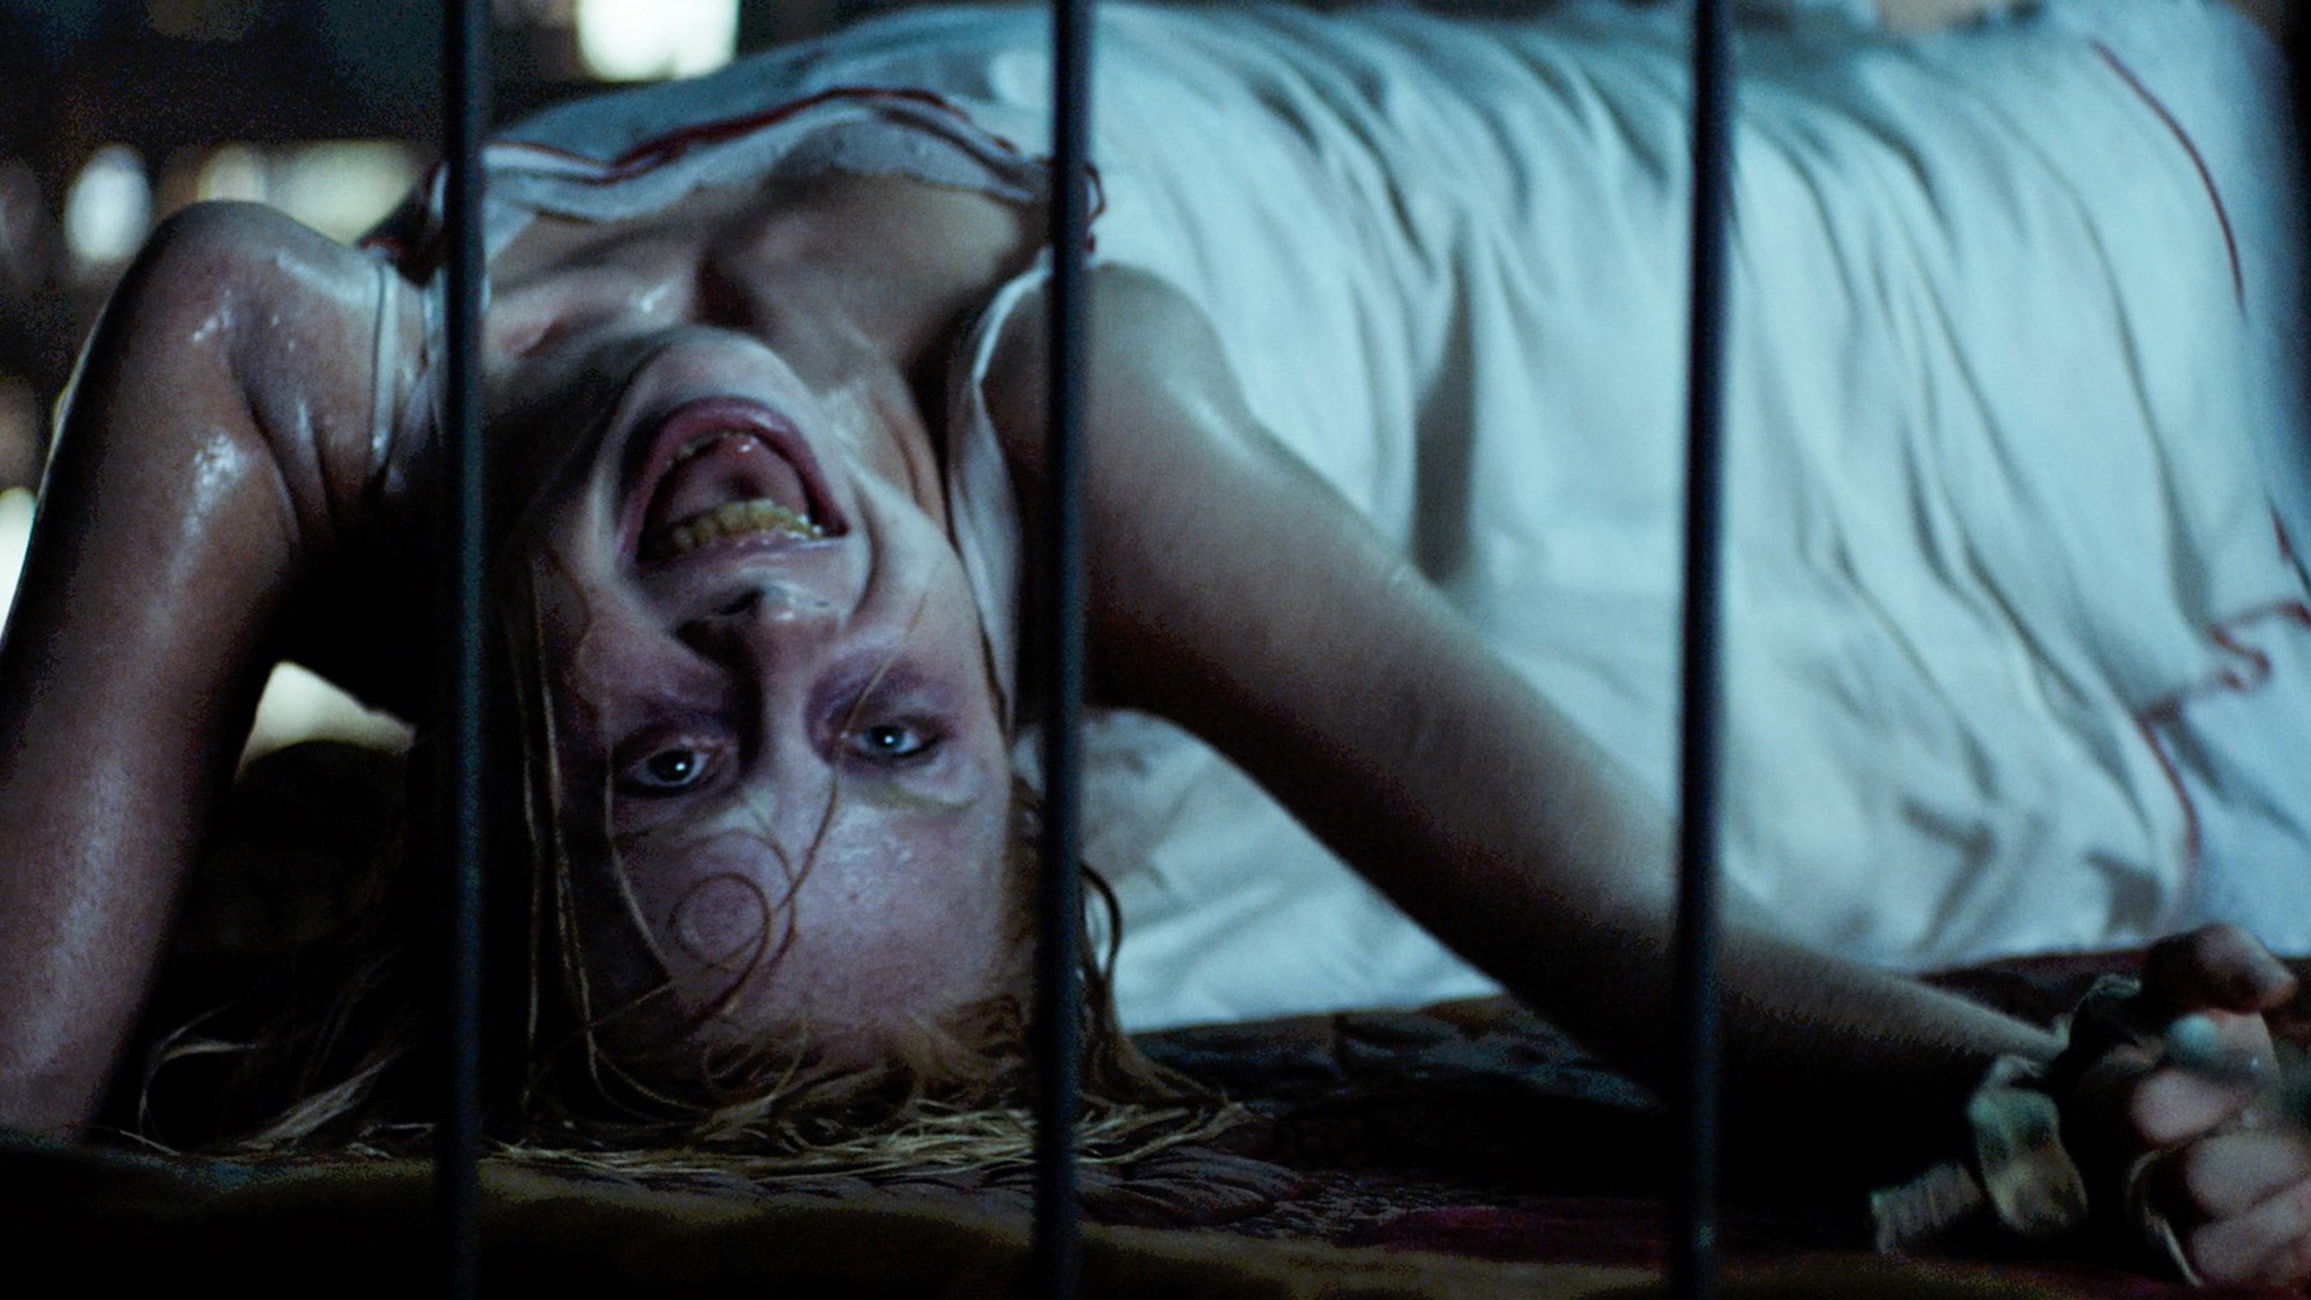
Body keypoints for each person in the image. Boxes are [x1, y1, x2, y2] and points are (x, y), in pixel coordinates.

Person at [4, 0, 2311, 1282]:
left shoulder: (293, 377)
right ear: (1009, 719)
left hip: (1612, 172)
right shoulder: (1074, 434)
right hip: (1881, 362)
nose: (772, 622)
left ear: (489, 794)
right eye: (889, 730)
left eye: (673, 764)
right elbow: (1634, 930)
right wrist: (2074, 1089)